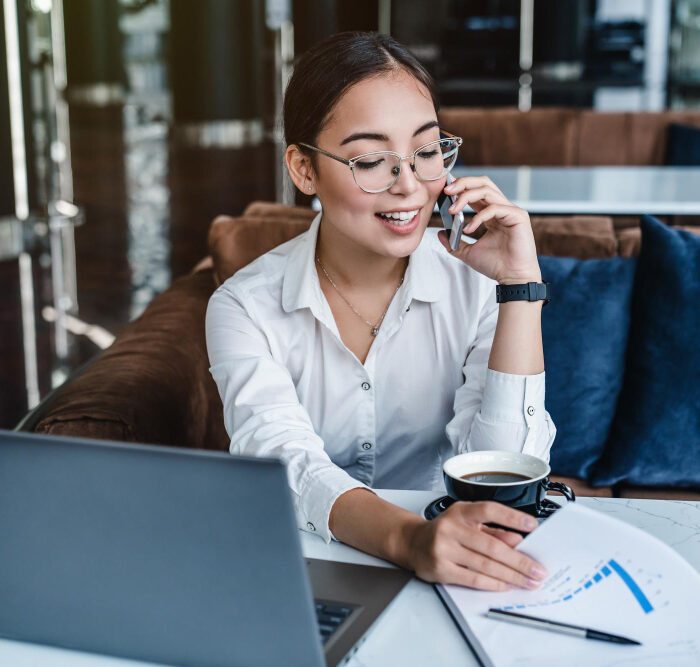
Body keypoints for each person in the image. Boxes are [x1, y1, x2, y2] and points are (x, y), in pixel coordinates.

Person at [206, 31, 555, 592]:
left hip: (458, 563)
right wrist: (408, 540)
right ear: (303, 169)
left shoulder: (477, 285)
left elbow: (502, 476)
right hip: (305, 563)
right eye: (371, 160)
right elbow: (283, 463)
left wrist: (520, 287)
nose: (410, 185)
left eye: (426, 150)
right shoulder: (244, 306)